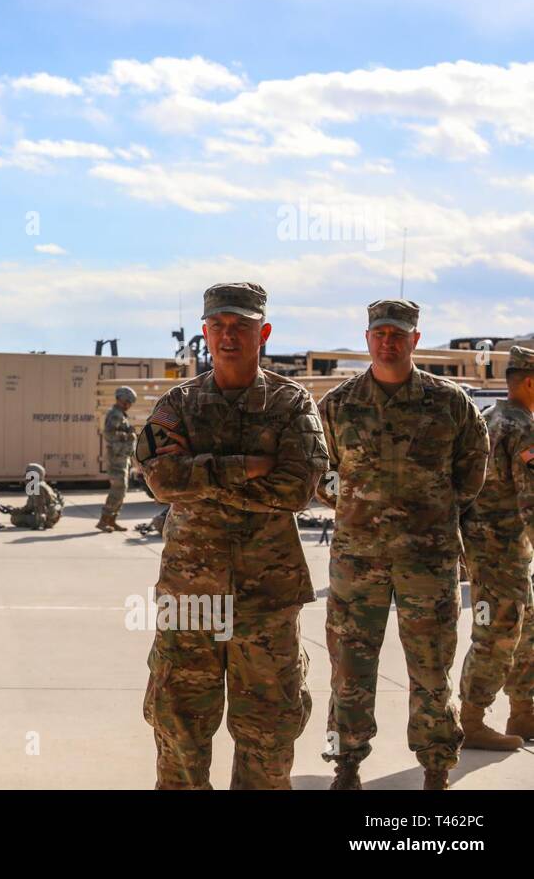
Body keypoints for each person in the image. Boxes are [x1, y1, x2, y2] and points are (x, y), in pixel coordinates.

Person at [137, 282, 327, 789]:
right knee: (178, 722)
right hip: (190, 596)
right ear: (205, 332)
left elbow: (295, 488)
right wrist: (244, 468)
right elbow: (161, 480)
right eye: (218, 326)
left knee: (269, 725)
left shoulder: (291, 404)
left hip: (267, 594)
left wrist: (201, 479)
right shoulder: (178, 404)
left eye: (241, 326)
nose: (228, 336)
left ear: (262, 332)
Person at [318, 298, 489, 790]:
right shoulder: (339, 404)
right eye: (379, 333)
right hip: (357, 562)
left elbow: (472, 471)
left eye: (398, 333)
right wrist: (354, 503)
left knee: (432, 667)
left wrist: (431, 509)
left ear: (415, 339)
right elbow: (319, 472)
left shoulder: (449, 402)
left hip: (428, 560)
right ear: (367, 338)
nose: (388, 341)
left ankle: (436, 765)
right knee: (350, 667)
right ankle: (346, 763)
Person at [456, 345, 534, 749]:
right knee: (498, 634)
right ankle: (471, 719)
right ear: (529, 382)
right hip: (500, 551)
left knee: (527, 630)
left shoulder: (489, 419)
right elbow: (531, 499)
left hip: (497, 549)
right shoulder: (522, 427)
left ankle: (525, 712)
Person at [99, 386, 138, 531]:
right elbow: (109, 435)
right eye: (127, 402)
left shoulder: (120, 414)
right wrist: (128, 435)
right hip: (116, 458)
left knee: (122, 489)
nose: (128, 405)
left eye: (130, 402)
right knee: (118, 489)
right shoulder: (115, 415)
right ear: (120, 400)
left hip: (122, 457)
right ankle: (104, 520)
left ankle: (111, 519)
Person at [4, 462, 64, 529]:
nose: (26, 476)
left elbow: (40, 507)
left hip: (46, 519)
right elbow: (29, 507)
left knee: (15, 519)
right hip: (49, 517)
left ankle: (42, 523)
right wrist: (12, 510)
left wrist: (40, 524)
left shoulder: (38, 487)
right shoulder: (40, 485)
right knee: (16, 516)